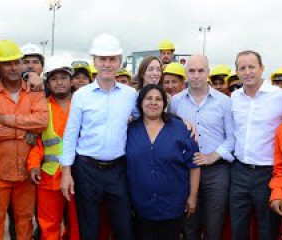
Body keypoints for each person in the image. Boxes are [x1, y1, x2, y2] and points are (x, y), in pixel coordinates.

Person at [60, 34, 136, 240]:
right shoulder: (81, 95)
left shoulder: (130, 95)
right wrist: (66, 172)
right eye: (102, 59)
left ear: (119, 62)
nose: (107, 64)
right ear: (95, 62)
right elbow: (70, 135)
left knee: (123, 228)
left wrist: (183, 123)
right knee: (89, 230)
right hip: (86, 171)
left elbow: (149, 119)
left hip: (118, 170)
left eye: (112, 59)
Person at [0, 39, 48, 240]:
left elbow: (42, 121)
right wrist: (21, 133)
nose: (13, 67)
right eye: (7, 63)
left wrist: (7, 120)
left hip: (26, 173)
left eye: (16, 62)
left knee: (24, 222)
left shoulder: (34, 90)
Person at [170, 54, 235, 240]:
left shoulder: (224, 102)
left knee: (214, 226)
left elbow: (232, 138)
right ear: (186, 73)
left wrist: (211, 156)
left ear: (207, 72)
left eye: (201, 71)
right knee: (189, 223)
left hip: (216, 172)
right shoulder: (176, 102)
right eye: (192, 71)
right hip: (186, 172)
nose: (196, 75)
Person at [127, 84, 200, 240]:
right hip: (140, 205)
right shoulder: (129, 130)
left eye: (158, 99)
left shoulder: (180, 129)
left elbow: (194, 165)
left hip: (173, 205)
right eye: (149, 98)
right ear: (140, 103)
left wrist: (192, 197)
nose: (153, 102)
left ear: (164, 104)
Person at [230, 50, 282, 240]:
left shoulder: (280, 96)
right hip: (238, 172)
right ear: (237, 71)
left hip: (267, 174)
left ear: (261, 69)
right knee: (238, 230)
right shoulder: (235, 98)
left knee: (267, 230)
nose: (247, 72)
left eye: (252, 67)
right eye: (242, 68)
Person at [27, 56, 79, 240]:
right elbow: (38, 143)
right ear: (48, 82)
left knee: (77, 226)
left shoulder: (82, 105)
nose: (59, 83)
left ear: (71, 81)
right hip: (49, 178)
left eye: (64, 78)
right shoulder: (43, 107)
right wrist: (33, 165)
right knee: (49, 227)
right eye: (54, 79)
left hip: (78, 177)